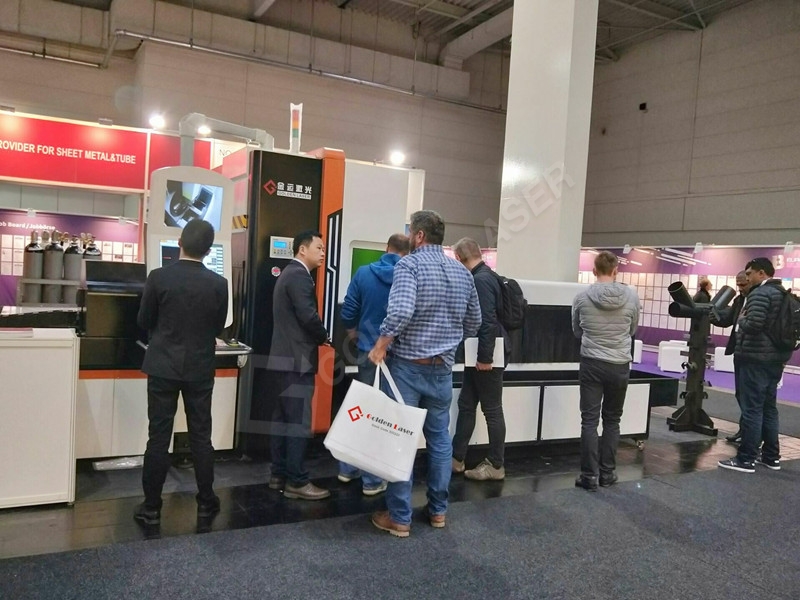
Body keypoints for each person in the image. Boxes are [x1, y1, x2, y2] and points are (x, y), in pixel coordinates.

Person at [368, 210, 481, 537]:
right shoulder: (462, 272)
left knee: (400, 440)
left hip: (407, 368)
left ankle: (399, 517)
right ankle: (438, 511)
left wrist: (381, 344)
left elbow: (401, 310)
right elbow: (475, 322)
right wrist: (448, 341)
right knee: (440, 440)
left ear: (418, 236)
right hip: (442, 370)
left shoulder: (409, 266)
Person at [134, 219, 229, 526]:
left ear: (179, 243)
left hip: (162, 365)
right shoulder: (219, 284)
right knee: (201, 435)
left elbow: (144, 319)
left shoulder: (158, 277)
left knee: (158, 437)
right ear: (209, 250)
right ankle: (206, 502)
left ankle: (151, 507)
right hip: (200, 368)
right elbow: (218, 326)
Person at [338, 233, 409, 496]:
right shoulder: (408, 276)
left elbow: (348, 312)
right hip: (396, 356)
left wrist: (356, 336)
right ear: (407, 253)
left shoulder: (364, 273)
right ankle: (372, 480)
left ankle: (347, 468)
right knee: (383, 417)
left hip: (366, 353)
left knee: (362, 409)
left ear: (387, 248)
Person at [266, 230, 331, 500]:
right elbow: (308, 316)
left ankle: (278, 474)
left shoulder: (287, 274)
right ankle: (297, 481)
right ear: (302, 250)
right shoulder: (299, 276)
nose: (323, 253)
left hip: (283, 359)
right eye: (319, 248)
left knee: (282, 420)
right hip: (297, 361)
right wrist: (324, 336)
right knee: (298, 423)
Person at [572, 251, 640, 492]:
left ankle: (589, 476)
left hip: (591, 362)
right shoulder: (632, 297)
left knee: (589, 420)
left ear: (594, 271)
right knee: (612, 420)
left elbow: (576, 330)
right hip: (619, 364)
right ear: (615, 271)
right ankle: (607, 473)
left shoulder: (581, 297)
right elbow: (632, 329)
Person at [718, 257, 791, 473]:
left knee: (752, 409)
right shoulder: (782, 293)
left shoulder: (760, 293)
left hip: (755, 359)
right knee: (769, 408)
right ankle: (771, 457)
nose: (747, 278)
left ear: (761, 273)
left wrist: (741, 319)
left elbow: (753, 324)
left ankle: (746, 458)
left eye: (749, 273)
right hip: (775, 359)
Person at [451, 237, 508, 481]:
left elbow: (486, 322)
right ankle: (456, 458)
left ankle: (496, 464)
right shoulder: (486, 276)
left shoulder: (480, 281)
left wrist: (485, 357)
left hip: (486, 356)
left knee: (492, 410)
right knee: (466, 404)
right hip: (479, 354)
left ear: (459, 258)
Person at [710, 270, 751, 444]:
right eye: (738, 284)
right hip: (739, 351)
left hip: (752, 354)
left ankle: (751, 434)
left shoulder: (758, 300)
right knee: (741, 394)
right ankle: (744, 430)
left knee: (751, 397)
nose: (740, 288)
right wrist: (712, 316)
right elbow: (727, 320)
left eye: (743, 284)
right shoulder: (739, 300)